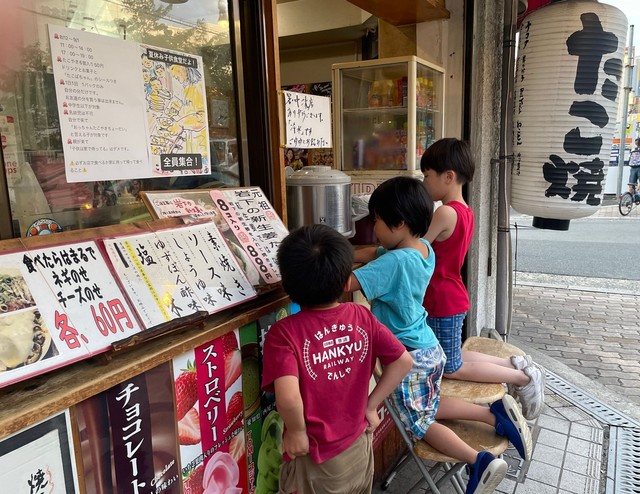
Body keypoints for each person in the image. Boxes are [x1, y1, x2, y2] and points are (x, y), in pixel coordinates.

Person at [350, 177, 533, 494]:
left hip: (407, 358)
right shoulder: (421, 250)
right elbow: (374, 252)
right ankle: (493, 415)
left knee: (420, 423)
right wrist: (354, 251)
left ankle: (478, 460)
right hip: (428, 350)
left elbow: (345, 285)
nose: (374, 225)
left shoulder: (393, 262)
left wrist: (323, 261)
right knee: (430, 406)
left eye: (377, 220)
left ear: (400, 223)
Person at [261, 224, 413, 494]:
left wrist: (296, 431)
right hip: (360, 449)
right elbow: (403, 361)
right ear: (346, 282)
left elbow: (287, 398)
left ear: (287, 285)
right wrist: (371, 405)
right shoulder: (361, 316)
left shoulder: (283, 334)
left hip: (316, 460)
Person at [420, 138, 545, 421]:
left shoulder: (444, 211)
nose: (424, 182)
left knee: (452, 366)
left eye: (427, 176)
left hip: (442, 300)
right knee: (456, 356)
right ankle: (517, 364)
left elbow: (417, 250)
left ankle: (524, 378)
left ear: (448, 176)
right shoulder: (464, 210)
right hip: (450, 296)